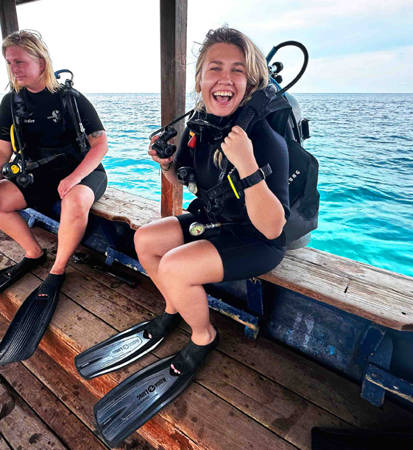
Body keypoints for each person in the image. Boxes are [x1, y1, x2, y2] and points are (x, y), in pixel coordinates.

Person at [76, 27, 289, 447]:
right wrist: (167, 165)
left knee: (174, 266)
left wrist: (247, 162)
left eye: (237, 70)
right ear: (200, 79)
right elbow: (193, 185)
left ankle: (203, 336)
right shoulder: (202, 126)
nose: (224, 78)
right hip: (214, 220)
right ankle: (176, 307)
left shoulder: (264, 139)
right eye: (215, 68)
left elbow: (272, 228)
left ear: (250, 82)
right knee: (146, 241)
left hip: (255, 238)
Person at [0, 30, 107, 364]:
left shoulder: (70, 98)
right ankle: (34, 254)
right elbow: (3, 148)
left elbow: (100, 144)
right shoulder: (11, 102)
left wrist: (74, 178)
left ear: (41, 61)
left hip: (83, 171)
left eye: (19, 61)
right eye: (8, 62)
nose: (13, 68)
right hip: (39, 175)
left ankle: (57, 269)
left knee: (75, 201)